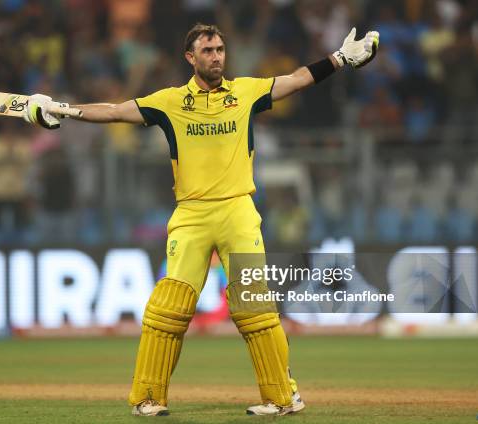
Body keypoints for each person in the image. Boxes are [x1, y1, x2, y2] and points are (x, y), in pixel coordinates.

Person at [24, 23, 379, 417]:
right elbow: (113, 111)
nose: (216, 56)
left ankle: (282, 397)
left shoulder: (246, 92)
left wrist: (340, 59)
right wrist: (61, 108)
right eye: (208, 50)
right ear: (190, 58)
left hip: (238, 210)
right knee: (168, 309)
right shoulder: (170, 101)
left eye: (220, 49)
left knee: (253, 306)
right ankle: (148, 398)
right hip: (191, 216)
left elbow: (296, 80)